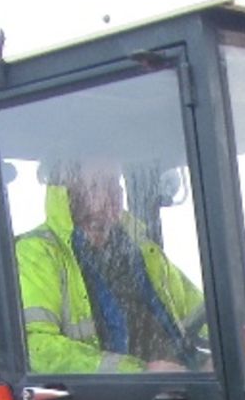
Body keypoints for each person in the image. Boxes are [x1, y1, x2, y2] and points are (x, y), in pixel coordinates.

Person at [15, 156, 206, 376]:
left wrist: (218, 355)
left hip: (175, 384)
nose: (114, 193)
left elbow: (199, 313)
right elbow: (35, 347)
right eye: (99, 185)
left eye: (116, 183)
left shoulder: (143, 251)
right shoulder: (39, 253)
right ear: (69, 192)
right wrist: (137, 373)